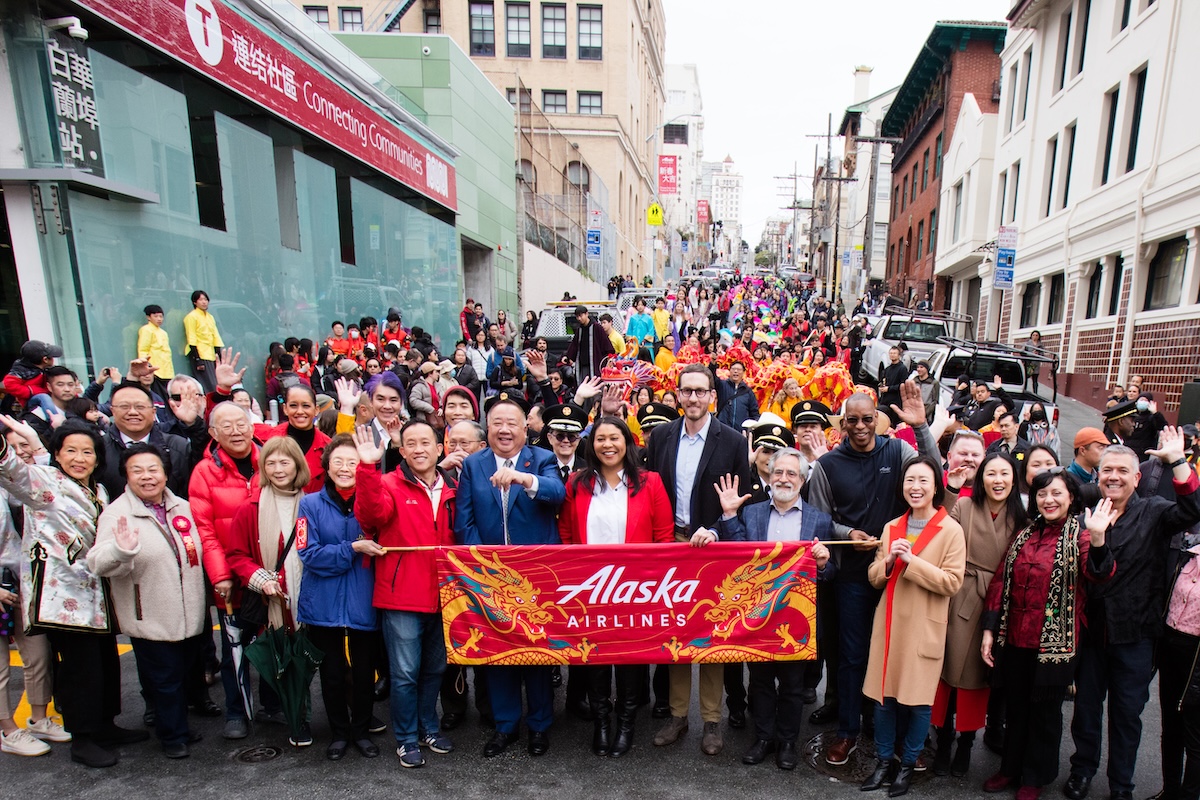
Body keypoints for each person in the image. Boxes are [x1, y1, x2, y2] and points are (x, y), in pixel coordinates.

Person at [0, 415, 148, 767]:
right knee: (81, 670)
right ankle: (82, 739)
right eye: (71, 451)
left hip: (99, 591)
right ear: (56, 453)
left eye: (87, 452)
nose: (79, 458)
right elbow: (12, 468)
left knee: (106, 664)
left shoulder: (98, 491)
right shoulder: (43, 480)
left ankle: (104, 725)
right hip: (63, 595)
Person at [805, 384, 939, 766]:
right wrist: (847, 534)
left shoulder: (896, 451)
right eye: (852, 420)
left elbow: (933, 478)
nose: (860, 426)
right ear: (843, 423)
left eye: (867, 419)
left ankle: (892, 732)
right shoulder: (828, 464)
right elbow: (819, 519)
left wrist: (923, 428)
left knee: (899, 653)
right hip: (851, 575)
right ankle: (847, 731)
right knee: (851, 656)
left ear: (878, 419)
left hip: (899, 570)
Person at [1065, 432, 1200, 800]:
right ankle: (1082, 770)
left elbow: (1191, 510)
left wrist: (1177, 461)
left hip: (1136, 633)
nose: (1113, 477)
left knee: (1127, 716)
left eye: (1122, 471)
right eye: (1107, 469)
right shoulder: (1089, 510)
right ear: (1098, 474)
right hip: (1094, 630)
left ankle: (1121, 785)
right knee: (1087, 709)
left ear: (1136, 477)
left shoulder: (1154, 510)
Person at [980, 469, 1115, 800]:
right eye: (1042, 494)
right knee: (1016, 707)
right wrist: (989, 628)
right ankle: (1010, 768)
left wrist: (1098, 539)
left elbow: (1100, 574)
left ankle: (1035, 777)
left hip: (1055, 644)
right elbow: (1000, 582)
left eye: (1056, 493)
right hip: (1014, 638)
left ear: (1071, 498)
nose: (1048, 500)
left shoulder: (1081, 536)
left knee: (1044, 713)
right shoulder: (1025, 534)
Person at [645, 363, 752, 756]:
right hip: (670, 544)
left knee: (711, 632)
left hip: (712, 546)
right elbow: (650, 490)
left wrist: (719, 530)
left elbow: (741, 503)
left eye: (700, 391)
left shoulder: (733, 442)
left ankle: (711, 720)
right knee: (674, 631)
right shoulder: (660, 436)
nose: (692, 398)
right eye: (686, 391)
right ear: (676, 395)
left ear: (712, 396)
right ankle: (677, 715)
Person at [455, 393, 566, 758]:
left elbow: (557, 494)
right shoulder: (474, 465)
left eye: (511, 423)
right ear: (487, 428)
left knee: (537, 653)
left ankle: (539, 726)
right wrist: (479, 568)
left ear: (525, 428)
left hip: (536, 577)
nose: (504, 430)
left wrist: (522, 478)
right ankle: (505, 726)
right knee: (499, 652)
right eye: (496, 423)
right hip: (489, 576)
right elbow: (466, 521)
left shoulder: (544, 459)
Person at [558, 417, 673, 757]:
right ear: (591, 446)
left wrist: (652, 585)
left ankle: (625, 723)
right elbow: (565, 533)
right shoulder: (578, 482)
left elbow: (664, 538)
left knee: (629, 660)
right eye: (600, 439)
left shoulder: (649, 482)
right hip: (589, 589)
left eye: (615, 438)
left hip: (634, 590)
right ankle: (602, 722)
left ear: (628, 442)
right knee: (593, 657)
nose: (608, 445)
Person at [714, 447, 834, 770]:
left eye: (791, 473)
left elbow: (830, 572)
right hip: (758, 618)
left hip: (797, 620)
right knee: (761, 683)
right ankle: (764, 738)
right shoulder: (751, 513)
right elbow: (738, 553)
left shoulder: (819, 520)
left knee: (793, 687)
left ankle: (787, 742)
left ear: (803, 479)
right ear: (769, 475)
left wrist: (823, 564)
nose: (784, 478)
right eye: (778, 472)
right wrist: (727, 516)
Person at [88, 443, 207, 759]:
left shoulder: (182, 506)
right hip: (150, 613)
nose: (147, 477)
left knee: (179, 675)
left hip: (188, 611)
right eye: (137, 470)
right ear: (126, 475)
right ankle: (173, 737)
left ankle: (177, 724)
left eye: (153, 469)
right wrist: (121, 550)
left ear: (165, 473)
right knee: (165, 680)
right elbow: (98, 562)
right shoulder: (117, 514)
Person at [859, 456, 966, 797]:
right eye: (909, 480)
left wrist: (912, 561)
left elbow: (952, 582)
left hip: (924, 627)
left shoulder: (951, 530)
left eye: (923, 481)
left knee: (919, 703)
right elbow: (874, 577)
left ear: (937, 486)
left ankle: (907, 765)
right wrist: (889, 561)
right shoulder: (892, 527)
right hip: (889, 625)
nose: (915, 487)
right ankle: (883, 762)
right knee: (885, 700)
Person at [933, 452, 1027, 778]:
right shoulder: (964, 506)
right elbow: (940, 533)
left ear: (1014, 479)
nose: (997, 480)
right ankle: (943, 742)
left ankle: (967, 743)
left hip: (999, 603)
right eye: (991, 474)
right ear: (982, 477)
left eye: (1004, 474)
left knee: (978, 678)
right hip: (962, 594)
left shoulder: (1024, 516)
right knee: (948, 673)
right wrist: (951, 488)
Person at [295, 434, 382, 761]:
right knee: (330, 674)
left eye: (353, 462)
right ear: (327, 467)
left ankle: (361, 731)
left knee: (363, 674)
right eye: (338, 462)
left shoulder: (372, 500)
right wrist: (352, 548)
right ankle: (339, 733)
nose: (346, 468)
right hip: (323, 603)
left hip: (364, 598)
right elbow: (309, 553)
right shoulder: (310, 504)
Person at [190, 401, 269, 740]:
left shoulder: (268, 461)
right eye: (227, 426)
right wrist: (220, 574)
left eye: (242, 423)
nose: (237, 431)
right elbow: (204, 530)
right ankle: (236, 711)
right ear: (213, 433)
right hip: (231, 579)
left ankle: (272, 706)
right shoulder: (204, 472)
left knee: (271, 642)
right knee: (233, 648)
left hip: (269, 575)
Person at [0, 427, 65, 758]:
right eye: (13, 447)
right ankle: (7, 729)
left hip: (20, 580)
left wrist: (36, 449)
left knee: (38, 655)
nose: (18, 452)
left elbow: (42, 488)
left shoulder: (10, 484)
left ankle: (39, 717)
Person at [253, 384, 330, 494]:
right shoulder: (265, 439)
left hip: (311, 510)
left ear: (316, 409)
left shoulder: (328, 447)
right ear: (285, 408)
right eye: (293, 405)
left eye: (306, 406)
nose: (299, 411)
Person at [182, 290, 223, 393]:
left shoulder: (210, 317)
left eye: (205, 299)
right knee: (208, 385)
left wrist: (218, 354)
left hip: (211, 354)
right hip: (200, 354)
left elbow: (215, 336)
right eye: (201, 299)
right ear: (195, 302)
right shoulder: (191, 317)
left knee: (216, 383)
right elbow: (191, 337)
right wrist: (197, 359)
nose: (204, 302)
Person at [564, 306, 615, 382]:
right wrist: (568, 357)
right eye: (577, 316)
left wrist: (609, 357)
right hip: (582, 364)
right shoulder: (579, 329)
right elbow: (574, 345)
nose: (579, 319)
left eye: (581, 316)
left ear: (587, 314)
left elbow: (606, 344)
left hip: (595, 363)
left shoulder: (597, 327)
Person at [714, 361, 759, 430]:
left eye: (738, 370)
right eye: (733, 369)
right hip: (723, 430)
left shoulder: (748, 392)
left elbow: (754, 413)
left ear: (743, 373)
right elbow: (712, 378)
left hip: (740, 433)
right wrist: (713, 364)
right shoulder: (722, 385)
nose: (735, 371)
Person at [1125, 392, 1168, 462]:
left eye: (1145, 400)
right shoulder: (1132, 415)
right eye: (1141, 400)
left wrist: (1155, 413)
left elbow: (1162, 426)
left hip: (1143, 453)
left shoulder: (1151, 417)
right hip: (1128, 450)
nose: (1142, 402)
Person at [137, 305, 175, 380]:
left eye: (161, 316)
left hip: (167, 371)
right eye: (156, 316)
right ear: (148, 317)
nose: (159, 319)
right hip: (154, 371)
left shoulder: (163, 332)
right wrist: (145, 367)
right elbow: (143, 350)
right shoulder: (146, 330)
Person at [877, 347, 908, 427]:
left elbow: (903, 385)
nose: (892, 355)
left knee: (894, 423)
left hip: (896, 400)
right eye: (891, 353)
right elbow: (882, 381)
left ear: (898, 355)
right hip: (885, 399)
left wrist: (889, 388)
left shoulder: (902, 369)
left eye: (894, 353)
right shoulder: (887, 369)